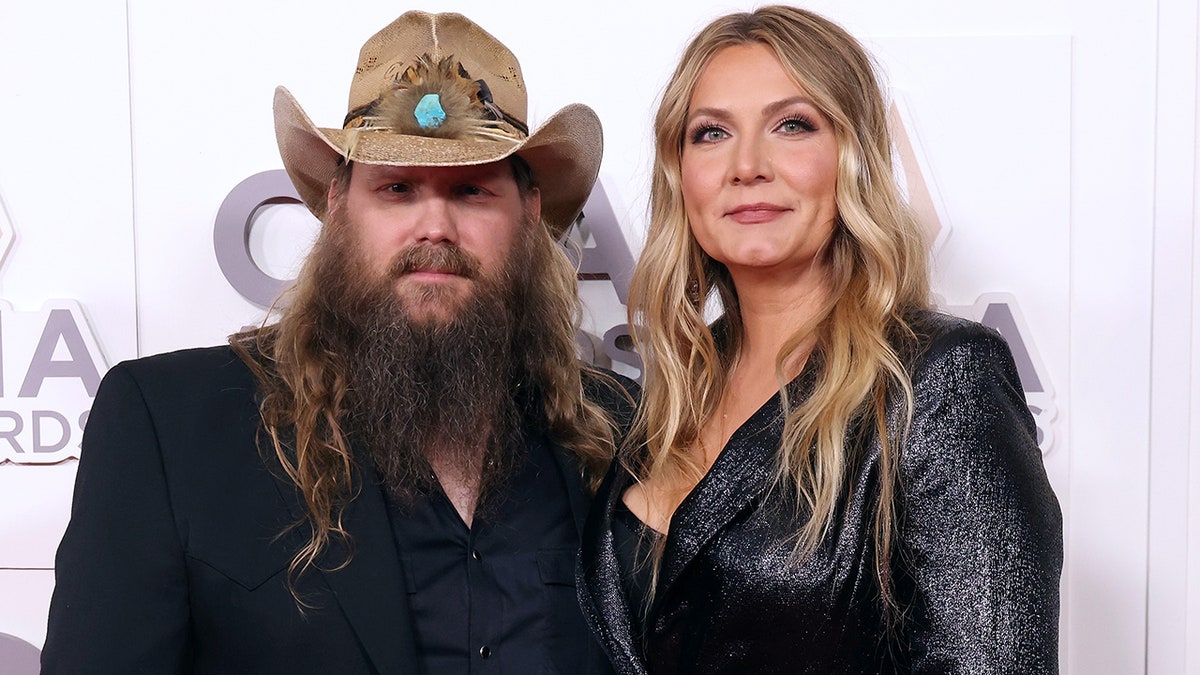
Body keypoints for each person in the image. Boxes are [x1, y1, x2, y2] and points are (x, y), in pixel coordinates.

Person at [43, 11, 633, 674]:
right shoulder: (170, 426)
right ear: (338, 206)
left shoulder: (623, 435)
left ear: (529, 215)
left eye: (471, 190)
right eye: (397, 188)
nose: (433, 225)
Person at [577, 6, 1063, 674]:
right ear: (679, 172)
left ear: (853, 157)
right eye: (711, 132)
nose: (746, 164)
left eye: (792, 125)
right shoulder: (668, 397)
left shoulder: (939, 381)